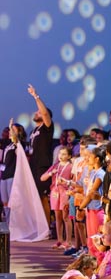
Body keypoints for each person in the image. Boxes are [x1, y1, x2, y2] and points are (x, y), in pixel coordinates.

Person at [26, 84, 54, 224]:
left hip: (43, 166)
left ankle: (47, 227)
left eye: (39, 112)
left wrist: (35, 96)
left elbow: (45, 114)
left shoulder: (46, 127)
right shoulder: (32, 132)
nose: (36, 113)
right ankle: (39, 225)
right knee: (34, 198)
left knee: (43, 197)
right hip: (33, 166)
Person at [41, 146, 74, 250]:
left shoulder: (71, 166)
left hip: (65, 192)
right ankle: (59, 240)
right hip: (55, 192)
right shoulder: (55, 166)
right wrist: (51, 173)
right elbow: (42, 178)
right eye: (60, 153)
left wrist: (67, 184)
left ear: (69, 156)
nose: (61, 156)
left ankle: (68, 241)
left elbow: (75, 181)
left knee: (66, 217)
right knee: (58, 217)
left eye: (64, 154)